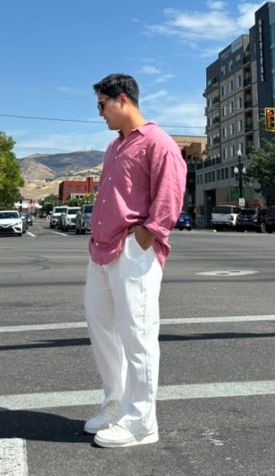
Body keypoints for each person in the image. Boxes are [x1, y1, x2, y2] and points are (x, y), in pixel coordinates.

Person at [83, 73, 187, 449]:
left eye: (102, 105)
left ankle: (142, 422)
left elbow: (170, 193)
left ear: (122, 100)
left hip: (134, 249)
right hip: (101, 250)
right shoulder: (114, 147)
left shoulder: (158, 142)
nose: (100, 113)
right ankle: (116, 404)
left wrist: (146, 236)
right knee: (102, 329)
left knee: (138, 335)